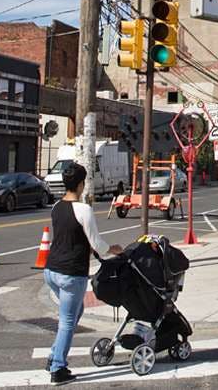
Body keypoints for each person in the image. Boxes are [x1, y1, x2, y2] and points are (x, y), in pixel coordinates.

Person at [43, 164, 122, 384]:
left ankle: (53, 354)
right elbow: (96, 243)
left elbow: (67, 236)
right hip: (71, 274)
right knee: (68, 322)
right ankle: (57, 368)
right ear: (80, 184)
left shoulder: (56, 206)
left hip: (50, 271)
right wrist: (114, 249)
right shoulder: (84, 210)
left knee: (74, 314)